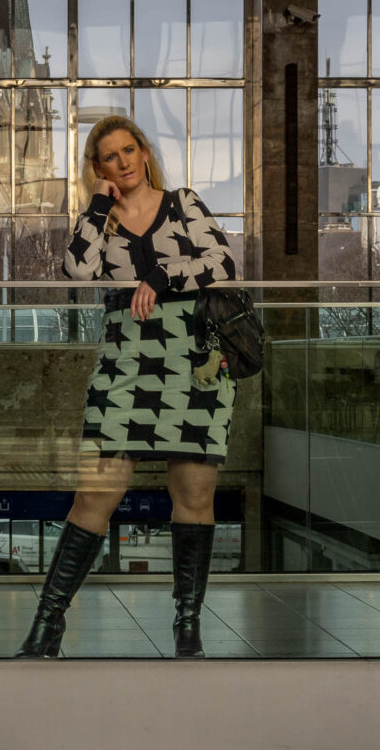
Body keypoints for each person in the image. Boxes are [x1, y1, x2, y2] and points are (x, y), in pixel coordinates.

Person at [16, 115, 237, 659]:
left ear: (143, 151)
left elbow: (223, 263)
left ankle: (188, 627)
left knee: (193, 498)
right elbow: (75, 272)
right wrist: (96, 205)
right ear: (98, 168)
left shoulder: (183, 202)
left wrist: (160, 279)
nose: (124, 162)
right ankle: (48, 626)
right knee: (94, 495)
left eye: (129, 150)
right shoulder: (101, 220)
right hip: (123, 370)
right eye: (110, 157)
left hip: (194, 367)